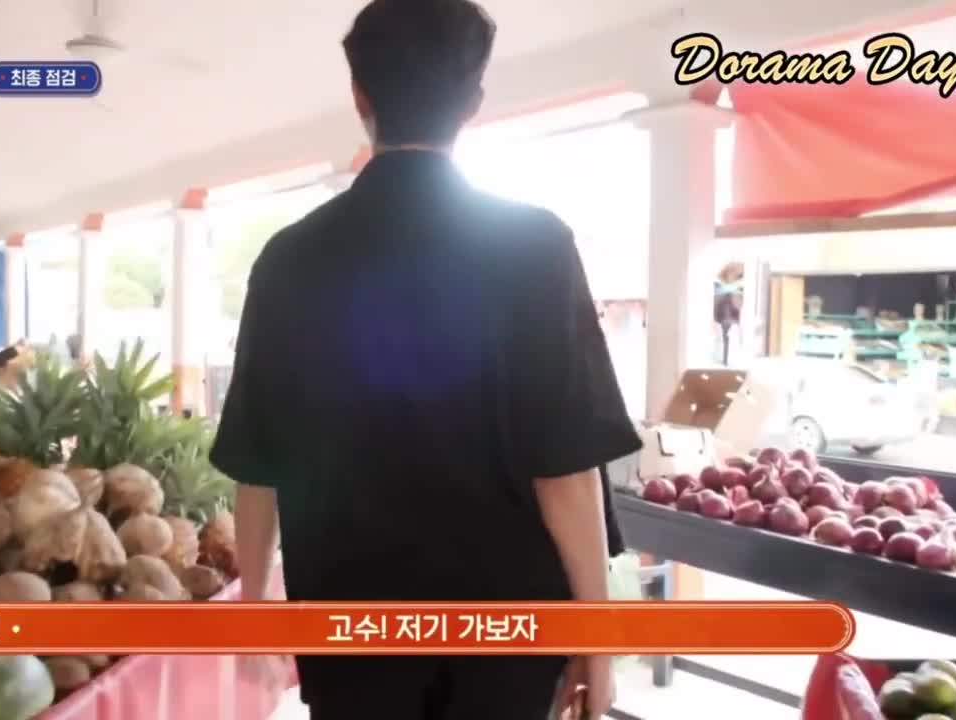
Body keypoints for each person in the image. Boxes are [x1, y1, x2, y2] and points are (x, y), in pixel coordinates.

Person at [209, 1, 642, 717]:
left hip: (351, 629)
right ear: (473, 102)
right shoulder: (534, 247)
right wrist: (598, 637)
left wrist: (255, 607)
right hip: (506, 633)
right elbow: (565, 470)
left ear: (360, 96)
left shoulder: (289, 261)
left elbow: (260, 462)